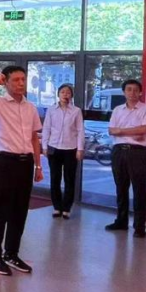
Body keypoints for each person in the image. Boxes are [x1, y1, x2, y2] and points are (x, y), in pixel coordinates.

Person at [0, 66, 43, 277]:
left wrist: (38, 165)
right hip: (5, 162)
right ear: (6, 82)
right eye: (16, 80)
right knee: (1, 210)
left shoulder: (30, 107)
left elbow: (34, 138)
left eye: (23, 79)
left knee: (20, 211)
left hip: (25, 162)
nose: (21, 83)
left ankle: (11, 254)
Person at [105, 79, 146, 238]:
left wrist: (121, 131)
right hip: (118, 152)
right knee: (121, 188)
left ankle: (139, 226)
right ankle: (121, 221)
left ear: (140, 92)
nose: (132, 93)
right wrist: (133, 131)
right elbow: (111, 131)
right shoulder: (117, 110)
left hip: (138, 153)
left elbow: (143, 130)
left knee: (139, 189)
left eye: (135, 90)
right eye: (129, 89)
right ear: (124, 92)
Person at [41, 83, 84, 220]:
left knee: (69, 179)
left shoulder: (76, 111)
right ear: (58, 94)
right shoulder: (51, 110)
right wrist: (44, 146)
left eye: (68, 92)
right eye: (63, 92)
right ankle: (56, 206)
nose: (65, 94)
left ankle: (66, 208)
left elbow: (80, 130)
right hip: (53, 147)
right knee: (55, 178)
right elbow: (46, 128)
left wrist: (80, 149)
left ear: (71, 96)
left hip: (70, 148)